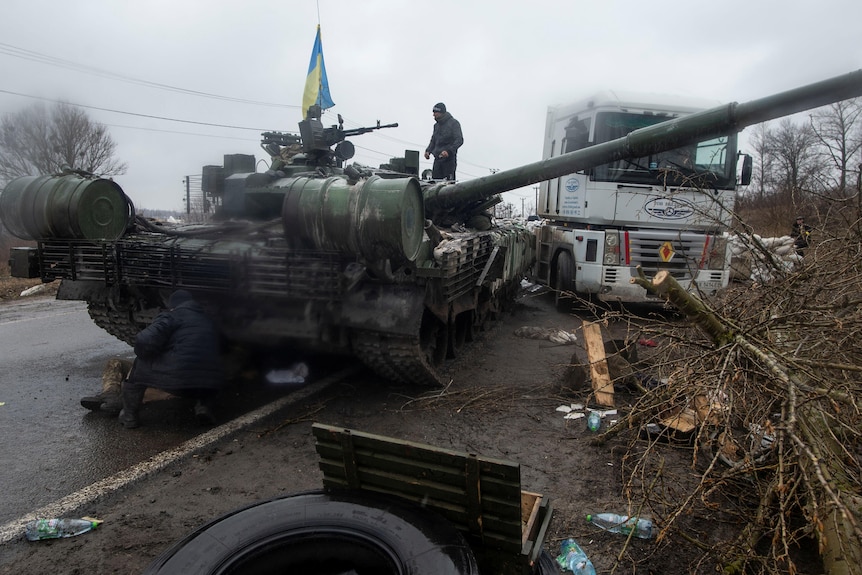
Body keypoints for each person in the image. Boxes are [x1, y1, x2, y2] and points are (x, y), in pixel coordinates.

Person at [118, 289, 225, 429]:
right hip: (207, 385)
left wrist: (149, 355)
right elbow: (222, 347)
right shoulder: (209, 320)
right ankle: (203, 407)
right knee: (205, 364)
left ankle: (129, 416)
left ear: (173, 305)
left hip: (177, 382)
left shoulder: (172, 315)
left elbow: (144, 340)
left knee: (140, 362)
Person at [424, 102, 463, 181]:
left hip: (449, 160)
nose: (433, 114)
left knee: (448, 184)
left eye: (435, 112)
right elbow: (433, 140)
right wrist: (428, 151)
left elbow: (459, 140)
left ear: (441, 112)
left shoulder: (454, 123)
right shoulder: (436, 126)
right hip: (437, 159)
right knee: (435, 182)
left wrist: (448, 151)